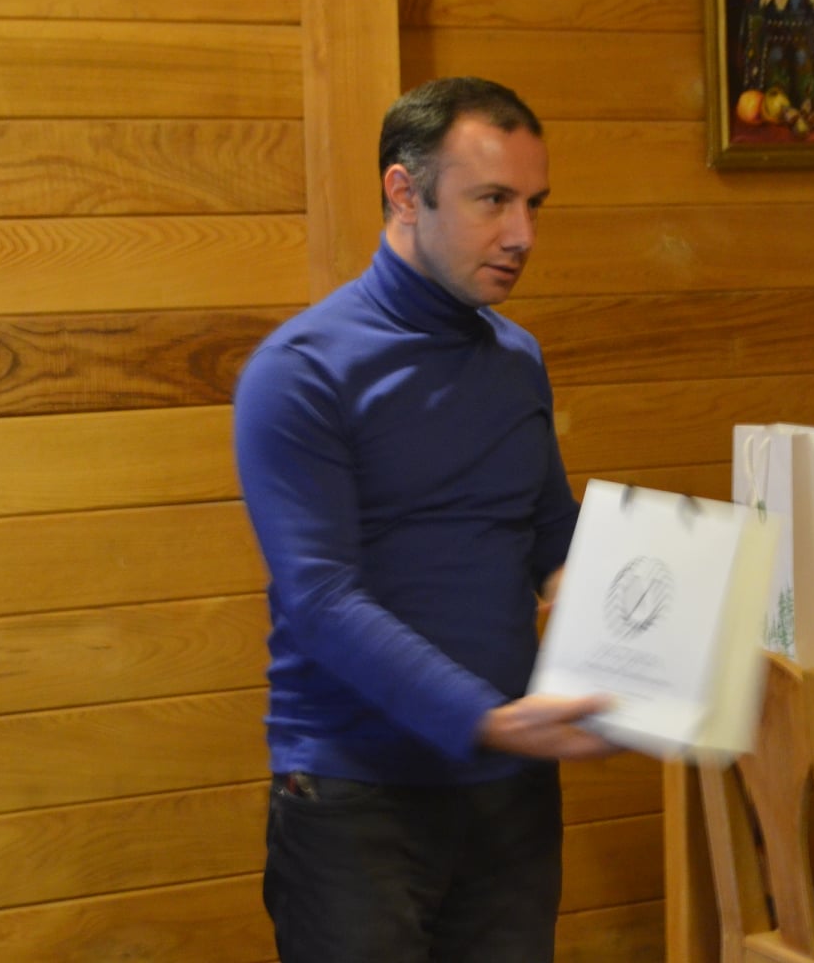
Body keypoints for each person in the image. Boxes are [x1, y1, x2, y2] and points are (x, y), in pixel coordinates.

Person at [233, 77, 618, 963]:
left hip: (508, 794)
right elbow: (322, 600)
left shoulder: (517, 359)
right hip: (356, 801)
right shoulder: (300, 371)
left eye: (533, 204)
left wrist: (656, 637)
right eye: (493, 201)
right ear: (405, 194)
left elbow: (550, 537)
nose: (522, 235)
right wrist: (486, 719)